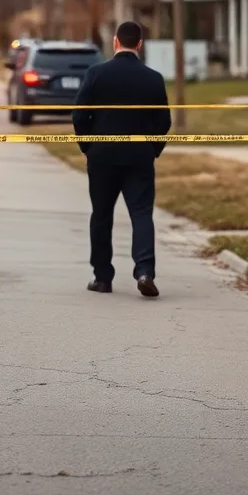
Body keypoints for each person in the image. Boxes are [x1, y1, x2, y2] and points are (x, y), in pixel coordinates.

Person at [72, 21, 171, 298]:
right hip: (138, 157)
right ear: (139, 44)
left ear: (115, 41)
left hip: (102, 157)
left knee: (101, 216)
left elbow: (79, 116)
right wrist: (152, 149)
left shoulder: (96, 74)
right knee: (141, 213)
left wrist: (88, 146)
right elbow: (164, 121)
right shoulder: (153, 78)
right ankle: (144, 271)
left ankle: (102, 277)